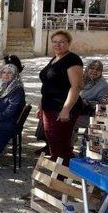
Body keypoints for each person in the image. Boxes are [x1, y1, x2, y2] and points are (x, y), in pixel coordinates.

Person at [38, 30, 83, 165]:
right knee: (53, 141)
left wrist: (66, 109)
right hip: (49, 108)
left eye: (62, 42)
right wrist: (41, 104)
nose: (58, 44)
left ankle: (62, 176)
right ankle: (58, 172)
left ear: (68, 43)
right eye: (55, 42)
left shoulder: (72, 59)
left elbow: (76, 87)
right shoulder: (55, 58)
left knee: (60, 143)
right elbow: (48, 84)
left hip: (61, 109)